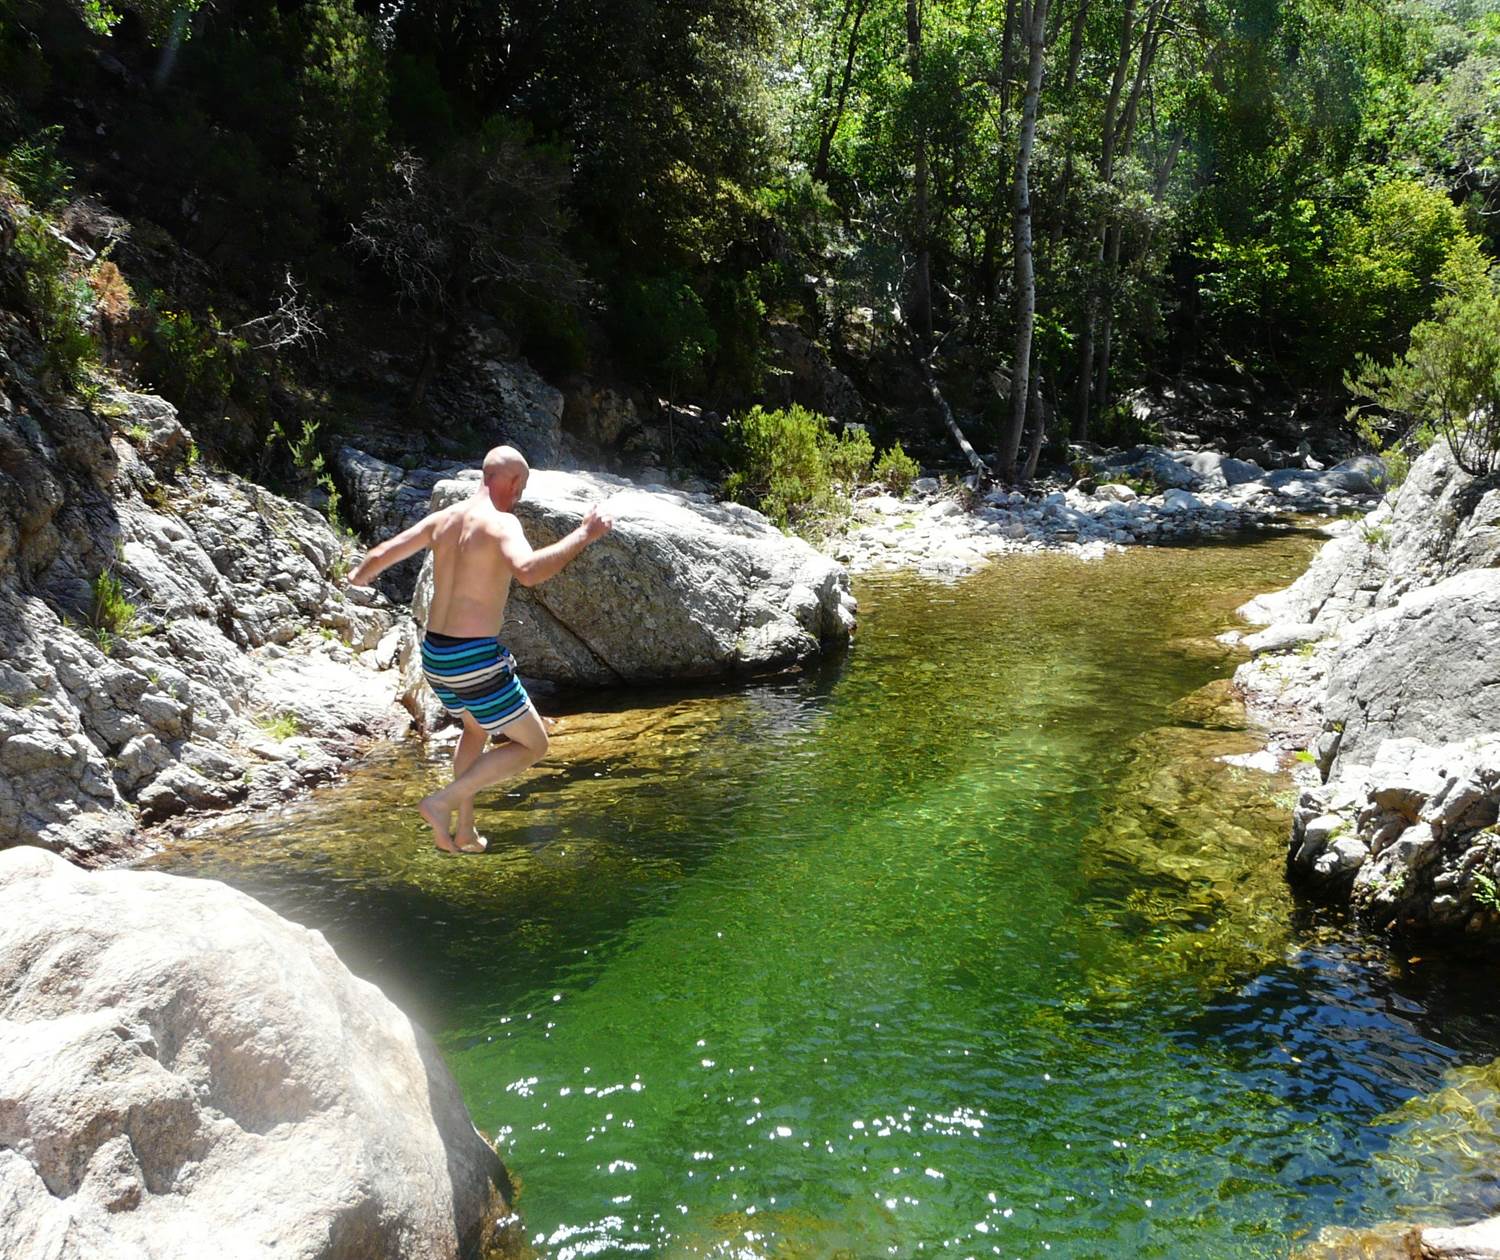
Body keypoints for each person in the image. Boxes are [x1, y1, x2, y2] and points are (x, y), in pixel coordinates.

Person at [348, 445, 613, 853]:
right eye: (520, 488)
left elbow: (380, 555)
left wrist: (352, 582)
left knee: (475, 728)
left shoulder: (443, 519)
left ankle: (466, 829)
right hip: (473, 658)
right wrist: (585, 534)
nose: (520, 497)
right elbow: (527, 572)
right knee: (534, 744)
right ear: (510, 482)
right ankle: (442, 803)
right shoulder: (502, 524)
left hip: (436, 656)